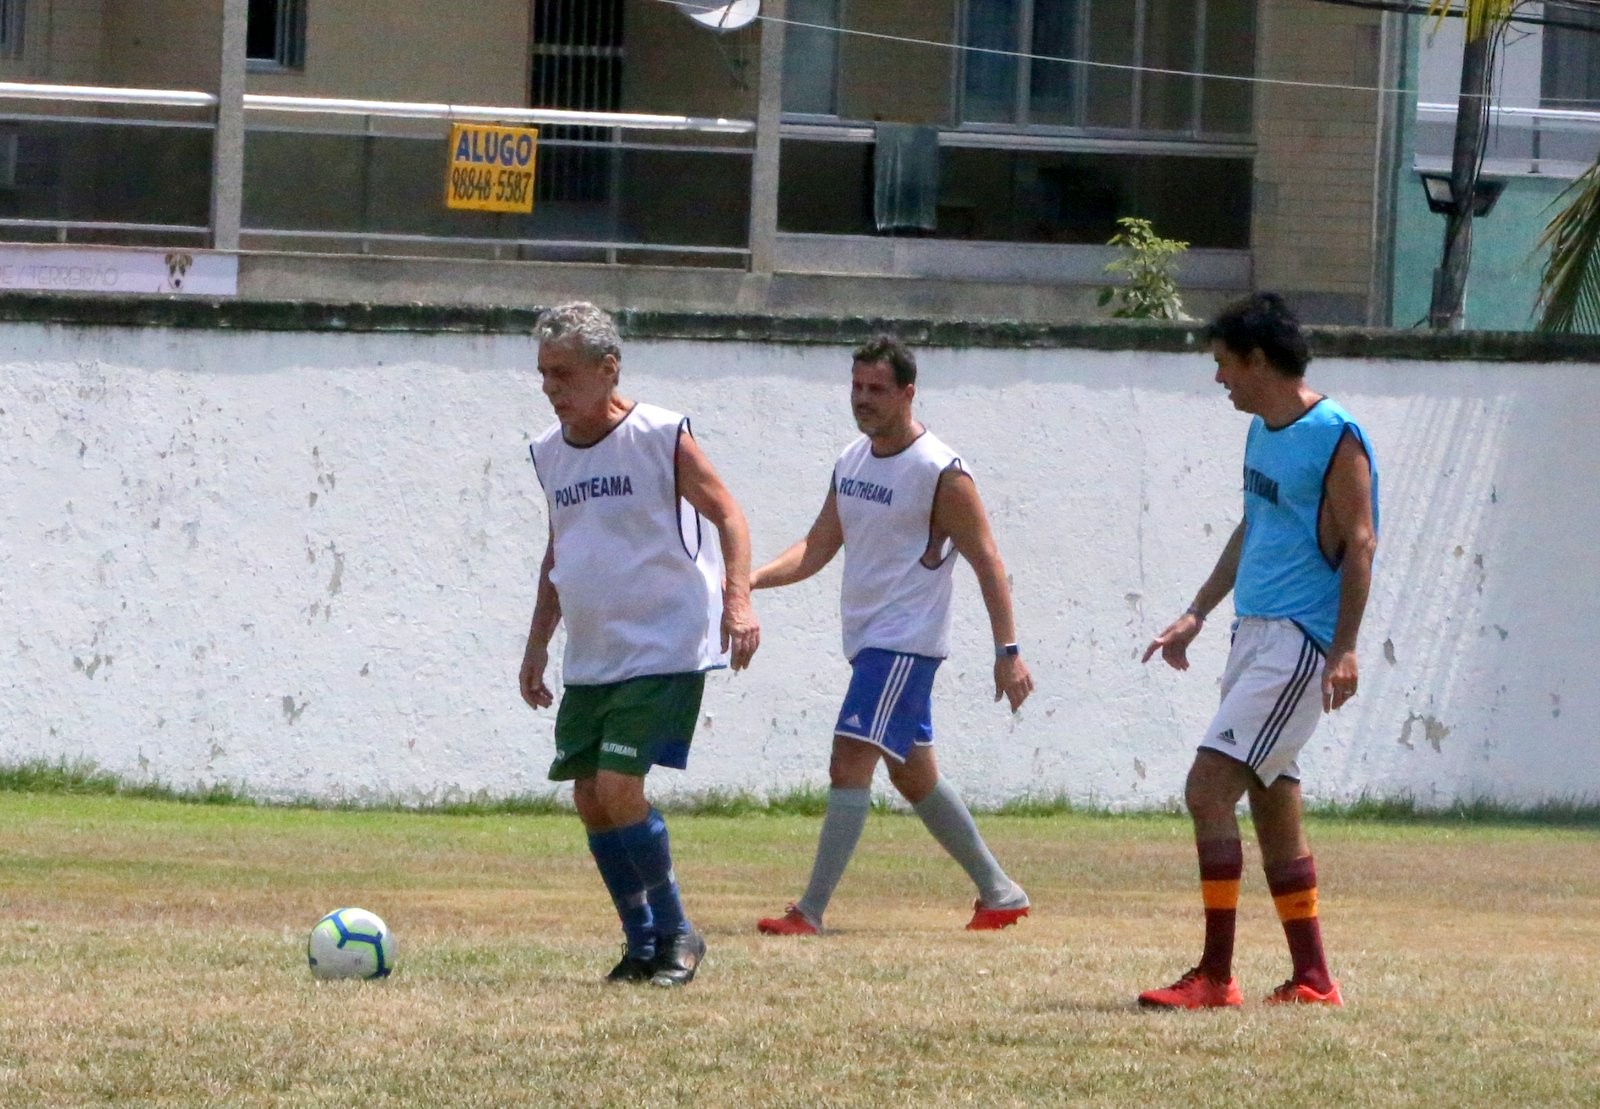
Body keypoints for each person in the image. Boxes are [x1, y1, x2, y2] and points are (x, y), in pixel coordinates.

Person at [1138, 292, 1378, 1009]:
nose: (1220, 381)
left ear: (1258, 360)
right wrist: (1196, 612)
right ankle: (1314, 977)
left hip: (1299, 644)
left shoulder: (1335, 432)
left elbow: (1360, 541)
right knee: (1275, 807)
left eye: (1223, 365)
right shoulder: (1264, 431)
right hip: (1255, 637)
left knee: (1207, 790)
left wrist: (1346, 649)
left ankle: (1215, 974)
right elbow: (1254, 527)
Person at [754, 335, 1035, 937]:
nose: (862, 399)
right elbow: (816, 547)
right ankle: (1001, 892)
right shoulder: (851, 461)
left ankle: (809, 912)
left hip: (905, 643)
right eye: (856, 387)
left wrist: (1007, 652)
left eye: (876, 389)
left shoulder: (941, 471)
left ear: (909, 393)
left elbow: (988, 561)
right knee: (913, 775)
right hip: (869, 644)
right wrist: (749, 581)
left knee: (848, 757)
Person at [519, 301, 759, 987]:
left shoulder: (658, 434)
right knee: (590, 797)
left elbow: (729, 515)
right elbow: (557, 552)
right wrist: (537, 646)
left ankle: (679, 930)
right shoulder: (549, 452)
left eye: (563, 372)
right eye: (543, 374)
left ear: (608, 367)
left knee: (622, 786)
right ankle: (642, 941)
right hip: (594, 654)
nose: (551, 387)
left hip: (664, 645)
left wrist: (737, 600)